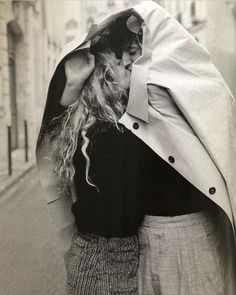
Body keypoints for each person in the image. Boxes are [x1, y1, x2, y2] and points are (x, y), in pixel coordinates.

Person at [36, 2, 236, 295]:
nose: (131, 62)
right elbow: (55, 151)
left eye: (135, 53)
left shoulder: (173, 91)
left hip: (186, 241)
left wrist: (142, 26)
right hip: (135, 251)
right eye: (122, 57)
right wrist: (72, 87)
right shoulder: (114, 121)